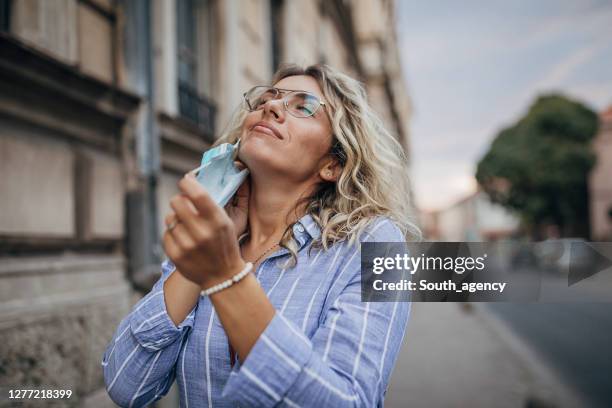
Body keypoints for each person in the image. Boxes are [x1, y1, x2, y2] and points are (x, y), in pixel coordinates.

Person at [102, 63, 421, 407]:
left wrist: (226, 277)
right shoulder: (211, 238)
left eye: (303, 107)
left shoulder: (374, 242)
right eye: (265, 100)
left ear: (332, 163)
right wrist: (195, 268)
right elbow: (126, 387)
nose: (270, 107)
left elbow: (347, 401)